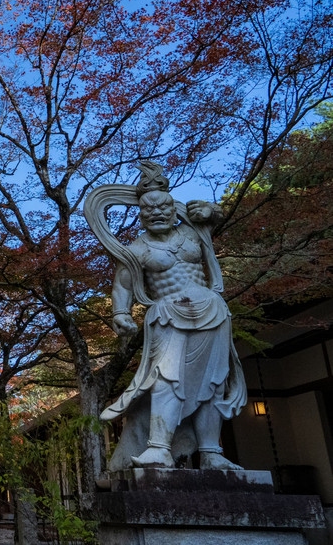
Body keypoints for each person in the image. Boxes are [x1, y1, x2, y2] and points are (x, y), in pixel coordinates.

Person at [88, 161, 246, 471]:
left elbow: (215, 217)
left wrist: (210, 211)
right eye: (149, 210)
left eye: (164, 207)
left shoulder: (192, 233)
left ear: (174, 209)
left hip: (211, 311)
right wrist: (120, 312)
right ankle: (158, 447)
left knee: (213, 382)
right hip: (166, 314)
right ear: (141, 215)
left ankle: (211, 452)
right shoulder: (136, 249)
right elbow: (123, 283)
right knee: (165, 378)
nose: (158, 213)